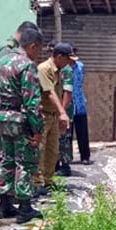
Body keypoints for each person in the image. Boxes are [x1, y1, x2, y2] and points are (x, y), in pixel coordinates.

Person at [0, 29, 45, 222]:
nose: (37, 54)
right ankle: (24, 208)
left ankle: (4, 204)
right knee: (25, 162)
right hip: (20, 119)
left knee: (7, 159)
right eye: (38, 50)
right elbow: (32, 101)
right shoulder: (27, 65)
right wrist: (37, 130)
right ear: (33, 46)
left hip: (3, 117)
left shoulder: (2, 62)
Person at [35, 43, 72, 192]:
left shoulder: (59, 70)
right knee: (40, 150)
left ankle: (48, 181)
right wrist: (63, 113)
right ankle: (37, 183)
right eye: (67, 59)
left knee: (53, 150)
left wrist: (60, 114)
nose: (69, 62)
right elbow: (50, 92)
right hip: (43, 115)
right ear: (59, 56)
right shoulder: (44, 69)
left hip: (53, 116)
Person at [56, 49, 77, 176]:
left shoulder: (67, 71)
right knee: (59, 138)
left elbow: (67, 93)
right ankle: (57, 164)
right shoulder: (60, 70)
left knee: (64, 137)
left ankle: (65, 165)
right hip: (59, 109)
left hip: (64, 110)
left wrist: (62, 111)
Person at [71, 54, 92, 164]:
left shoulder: (80, 66)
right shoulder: (63, 69)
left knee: (82, 132)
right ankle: (67, 157)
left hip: (79, 104)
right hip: (68, 105)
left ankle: (85, 157)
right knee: (67, 134)